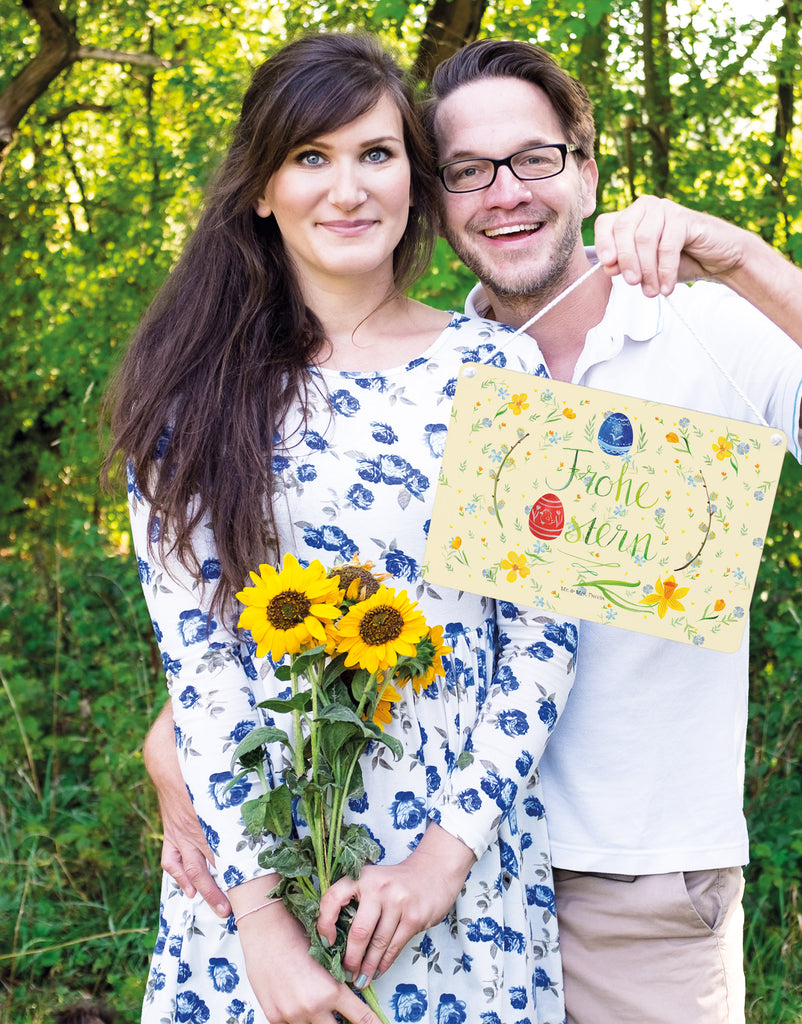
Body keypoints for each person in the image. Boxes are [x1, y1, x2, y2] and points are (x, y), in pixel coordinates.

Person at [142, 36, 802, 1024]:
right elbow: (261, 615)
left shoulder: (671, 331)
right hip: (352, 864)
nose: (505, 193)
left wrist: (741, 255)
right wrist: (182, 745)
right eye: (468, 170)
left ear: (587, 171)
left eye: (533, 159)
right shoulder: (378, 372)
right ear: (437, 195)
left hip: (617, 878)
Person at [106, 32, 577, 1024]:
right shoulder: (192, 397)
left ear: (414, 177)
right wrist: (261, 926)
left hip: (455, 878)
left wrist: (442, 862)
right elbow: (201, 666)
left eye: (376, 154)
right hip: (253, 876)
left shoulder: (499, 371)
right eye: (310, 157)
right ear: (261, 189)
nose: (349, 189)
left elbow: (541, 640)